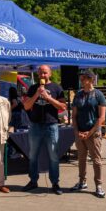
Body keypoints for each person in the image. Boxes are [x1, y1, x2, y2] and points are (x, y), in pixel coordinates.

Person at [22, 65, 67, 195]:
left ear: (50, 74)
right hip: (35, 126)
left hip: (51, 126)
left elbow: (63, 107)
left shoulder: (57, 88)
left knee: (53, 156)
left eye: (45, 73)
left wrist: (48, 98)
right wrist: (37, 94)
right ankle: (33, 181)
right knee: (32, 156)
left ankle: (55, 183)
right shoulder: (32, 88)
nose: (42, 75)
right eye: (40, 73)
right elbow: (26, 106)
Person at [71, 70, 106, 198]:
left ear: (91, 79)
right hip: (80, 134)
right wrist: (77, 132)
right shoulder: (78, 95)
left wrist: (89, 133)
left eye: (84, 78)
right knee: (81, 159)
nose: (82, 80)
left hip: (94, 134)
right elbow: (74, 115)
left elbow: (101, 118)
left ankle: (98, 185)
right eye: (81, 78)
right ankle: (82, 182)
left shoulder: (98, 95)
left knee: (96, 160)